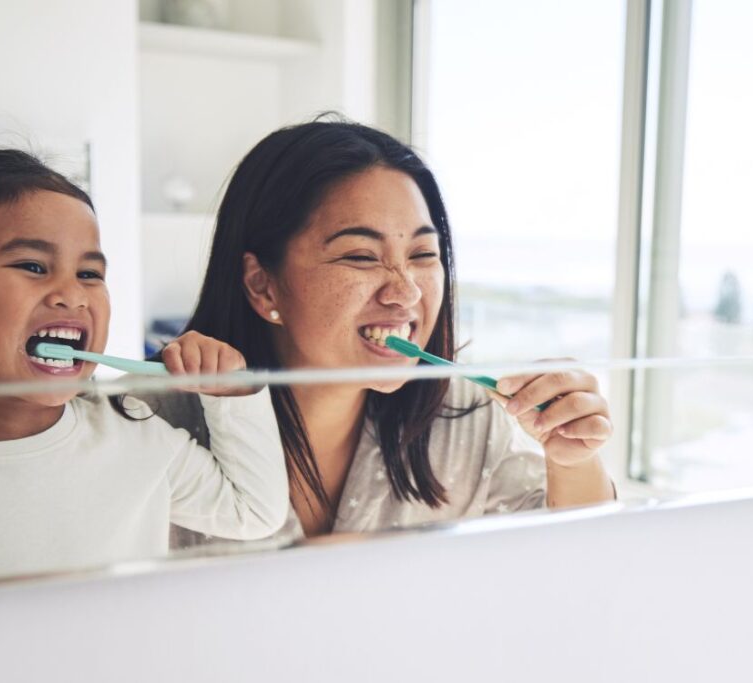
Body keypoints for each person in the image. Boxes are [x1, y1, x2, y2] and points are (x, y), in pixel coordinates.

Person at [0, 150, 288, 591]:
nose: (72, 295)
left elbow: (254, 512)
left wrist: (230, 392)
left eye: (89, 274)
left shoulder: (136, 436)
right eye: (33, 266)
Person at [149, 119, 614, 544]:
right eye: (361, 256)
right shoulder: (146, 425)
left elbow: (578, 560)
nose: (406, 292)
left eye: (423, 255)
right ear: (262, 284)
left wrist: (573, 460)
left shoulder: (464, 418)